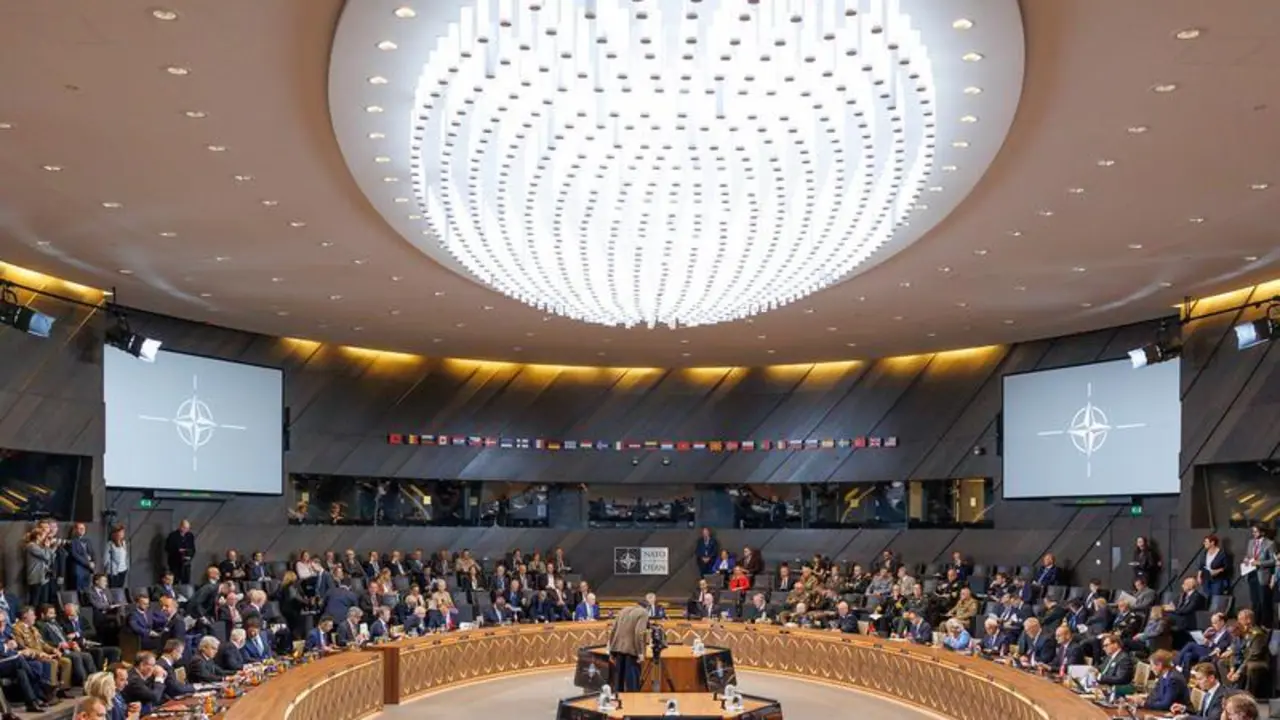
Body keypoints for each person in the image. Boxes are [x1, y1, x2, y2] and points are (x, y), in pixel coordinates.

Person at [1170, 662, 1235, 720]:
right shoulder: (1208, 692)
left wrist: (1187, 717)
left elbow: (1212, 719)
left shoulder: (1222, 695)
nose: (1197, 683)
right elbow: (1201, 715)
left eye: (1200, 679)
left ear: (1211, 678)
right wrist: (1183, 709)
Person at [607, 605, 649, 693]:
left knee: (618, 685)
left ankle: (619, 703)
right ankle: (632, 705)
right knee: (632, 687)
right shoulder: (643, 613)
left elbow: (613, 630)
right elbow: (639, 633)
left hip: (618, 649)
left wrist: (611, 650)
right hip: (632, 651)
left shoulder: (623, 610)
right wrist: (640, 653)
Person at [1242, 524, 1275, 627]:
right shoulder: (1251, 542)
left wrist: (1259, 563)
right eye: (1253, 532)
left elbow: (1274, 561)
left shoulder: (1270, 544)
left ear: (1262, 532)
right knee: (1255, 601)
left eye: (1256, 532)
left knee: (1263, 601)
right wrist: (1246, 559)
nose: (1253, 534)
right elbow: (1248, 555)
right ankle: (1255, 624)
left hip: (1263, 576)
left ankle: (1266, 625)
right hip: (1251, 574)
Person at [164, 520, 196, 585]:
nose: (186, 530)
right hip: (175, 563)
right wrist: (178, 551)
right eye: (185, 528)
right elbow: (167, 548)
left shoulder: (190, 536)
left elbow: (193, 549)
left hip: (186, 563)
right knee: (175, 581)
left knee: (186, 582)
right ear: (181, 527)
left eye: (188, 528)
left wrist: (189, 555)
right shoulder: (173, 536)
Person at [67, 523, 97, 593]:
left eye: (83, 528)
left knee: (86, 589)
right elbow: (74, 555)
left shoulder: (88, 540)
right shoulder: (72, 541)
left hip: (88, 569)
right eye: (80, 528)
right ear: (75, 530)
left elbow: (92, 553)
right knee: (78, 589)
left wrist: (94, 562)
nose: (82, 530)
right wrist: (87, 563)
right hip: (78, 568)